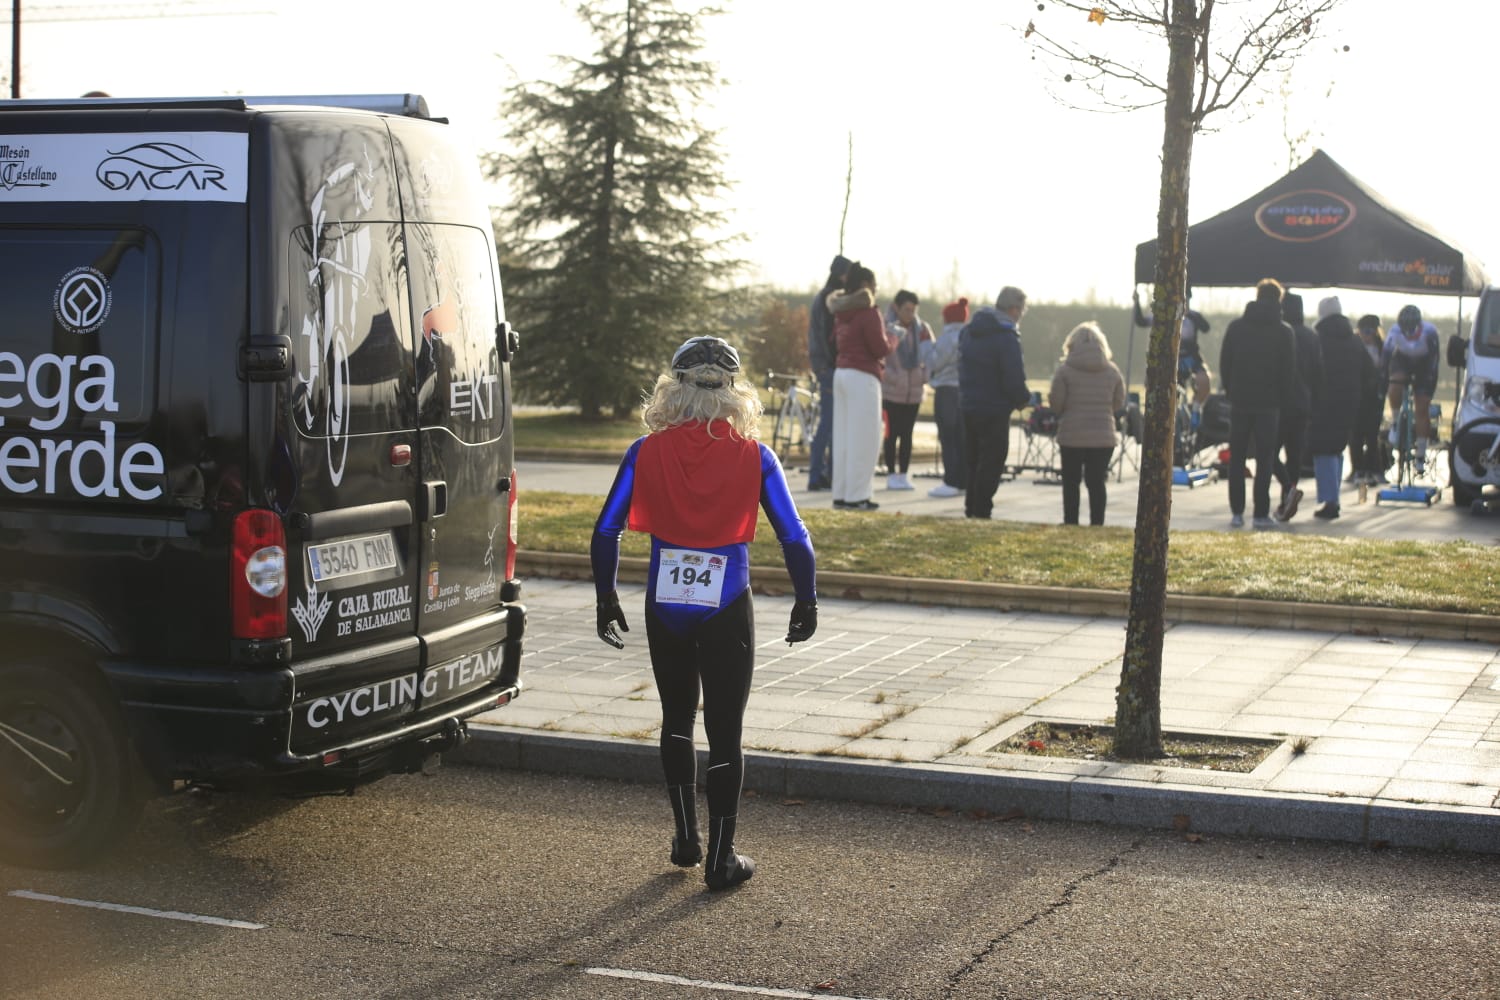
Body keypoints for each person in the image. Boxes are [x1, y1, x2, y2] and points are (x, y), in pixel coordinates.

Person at [591, 336, 818, 891]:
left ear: (674, 386)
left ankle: (685, 837)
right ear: (735, 391)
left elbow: (605, 529)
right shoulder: (755, 457)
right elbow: (794, 536)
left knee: (675, 719)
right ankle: (722, 856)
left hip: (665, 601)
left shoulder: (645, 451)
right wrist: (805, 597)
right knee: (724, 731)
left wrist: (606, 595)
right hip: (726, 602)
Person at [1219, 278, 1297, 529]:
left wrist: (1232, 391)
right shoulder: (1284, 331)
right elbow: (1288, 371)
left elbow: (1225, 363)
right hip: (1269, 404)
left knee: (1237, 457)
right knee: (1265, 459)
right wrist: (1283, 400)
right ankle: (1261, 513)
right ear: (1279, 299)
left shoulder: (1236, 328)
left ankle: (1237, 512)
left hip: (1240, 400)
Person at [958, 285, 1031, 519]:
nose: (1021, 315)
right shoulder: (1006, 336)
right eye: (1021, 310)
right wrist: (1022, 399)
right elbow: (1012, 375)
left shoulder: (969, 331)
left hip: (969, 403)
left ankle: (971, 507)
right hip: (995, 408)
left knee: (973, 459)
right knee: (992, 461)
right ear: (1013, 309)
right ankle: (982, 509)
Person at [1048, 322, 1126, 526]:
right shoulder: (1112, 371)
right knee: (1097, 482)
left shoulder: (1064, 371)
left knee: (1071, 482)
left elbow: (1056, 403)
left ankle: (1071, 522)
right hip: (1103, 435)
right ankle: (1097, 523)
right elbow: (1118, 403)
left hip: (1072, 434)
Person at [829, 262, 891, 510]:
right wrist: (894, 338)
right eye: (874, 284)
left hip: (841, 372)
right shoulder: (869, 312)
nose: (876, 288)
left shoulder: (841, 312)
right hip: (863, 375)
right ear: (866, 285)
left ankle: (842, 493)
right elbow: (880, 348)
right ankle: (858, 496)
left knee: (843, 438)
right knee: (865, 439)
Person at [1307, 297, 1374, 520]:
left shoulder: (1318, 340)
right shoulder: (1355, 342)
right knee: (1337, 448)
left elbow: (1311, 372)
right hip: (1350, 403)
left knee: (1323, 449)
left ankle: (1329, 501)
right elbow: (1369, 372)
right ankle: (1332, 497)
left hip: (1323, 402)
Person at [1272, 292, 1322, 522]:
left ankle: (1288, 491)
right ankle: (1287, 498)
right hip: (1304, 403)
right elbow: (1318, 372)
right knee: (1294, 456)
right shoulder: (1312, 337)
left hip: (1281, 402)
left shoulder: (1281, 332)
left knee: (1269, 451)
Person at [804, 255, 851, 491]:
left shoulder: (825, 295)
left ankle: (824, 473)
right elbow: (826, 336)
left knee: (831, 422)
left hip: (824, 364)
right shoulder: (830, 298)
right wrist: (831, 364)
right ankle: (817, 474)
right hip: (828, 366)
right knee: (829, 422)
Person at [880, 289, 932, 491]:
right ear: (897, 308)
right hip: (892, 393)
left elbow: (930, 355)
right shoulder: (887, 327)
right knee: (891, 435)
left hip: (914, 393)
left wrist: (924, 376)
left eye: (913, 310)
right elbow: (882, 357)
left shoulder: (922, 329)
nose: (910, 314)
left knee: (908, 435)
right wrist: (894, 378)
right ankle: (891, 473)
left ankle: (904, 474)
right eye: (906, 309)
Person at [1382, 303, 1441, 475]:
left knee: (1421, 409)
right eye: (1404, 329)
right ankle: (1394, 422)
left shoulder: (1429, 332)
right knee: (1395, 383)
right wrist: (1383, 379)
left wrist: (1427, 384)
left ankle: (1421, 455)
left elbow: (1434, 362)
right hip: (1403, 361)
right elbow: (1386, 359)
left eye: (1411, 329)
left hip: (1425, 364)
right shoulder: (1394, 331)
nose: (1408, 333)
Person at [1133, 288, 1211, 412]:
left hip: (1192, 359)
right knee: (1155, 382)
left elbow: (1206, 328)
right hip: (1170, 359)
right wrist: (1136, 303)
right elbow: (1141, 322)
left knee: (1204, 381)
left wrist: (1192, 315)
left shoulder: (1193, 316)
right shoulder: (1162, 315)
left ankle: (1195, 407)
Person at [923, 297, 969, 498]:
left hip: (946, 391)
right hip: (963, 391)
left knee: (947, 437)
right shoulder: (969, 336)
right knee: (961, 438)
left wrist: (926, 347)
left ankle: (951, 480)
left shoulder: (948, 338)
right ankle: (963, 479)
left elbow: (935, 363)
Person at [1350, 314, 1388, 484]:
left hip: (1375, 397)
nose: (1367, 335)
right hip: (1358, 396)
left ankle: (1374, 469)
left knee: (1372, 435)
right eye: (1363, 331)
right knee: (1356, 434)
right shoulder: (1354, 347)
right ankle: (1357, 468)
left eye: (1370, 331)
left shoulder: (1382, 348)